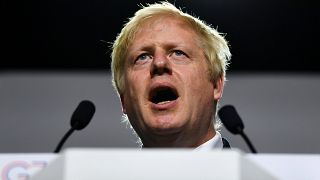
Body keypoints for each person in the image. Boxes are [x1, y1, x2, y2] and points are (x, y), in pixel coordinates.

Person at [111, 2, 231, 149]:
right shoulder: (100, 173)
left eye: (178, 53)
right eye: (143, 57)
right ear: (124, 100)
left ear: (216, 85)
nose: (159, 63)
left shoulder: (255, 172)